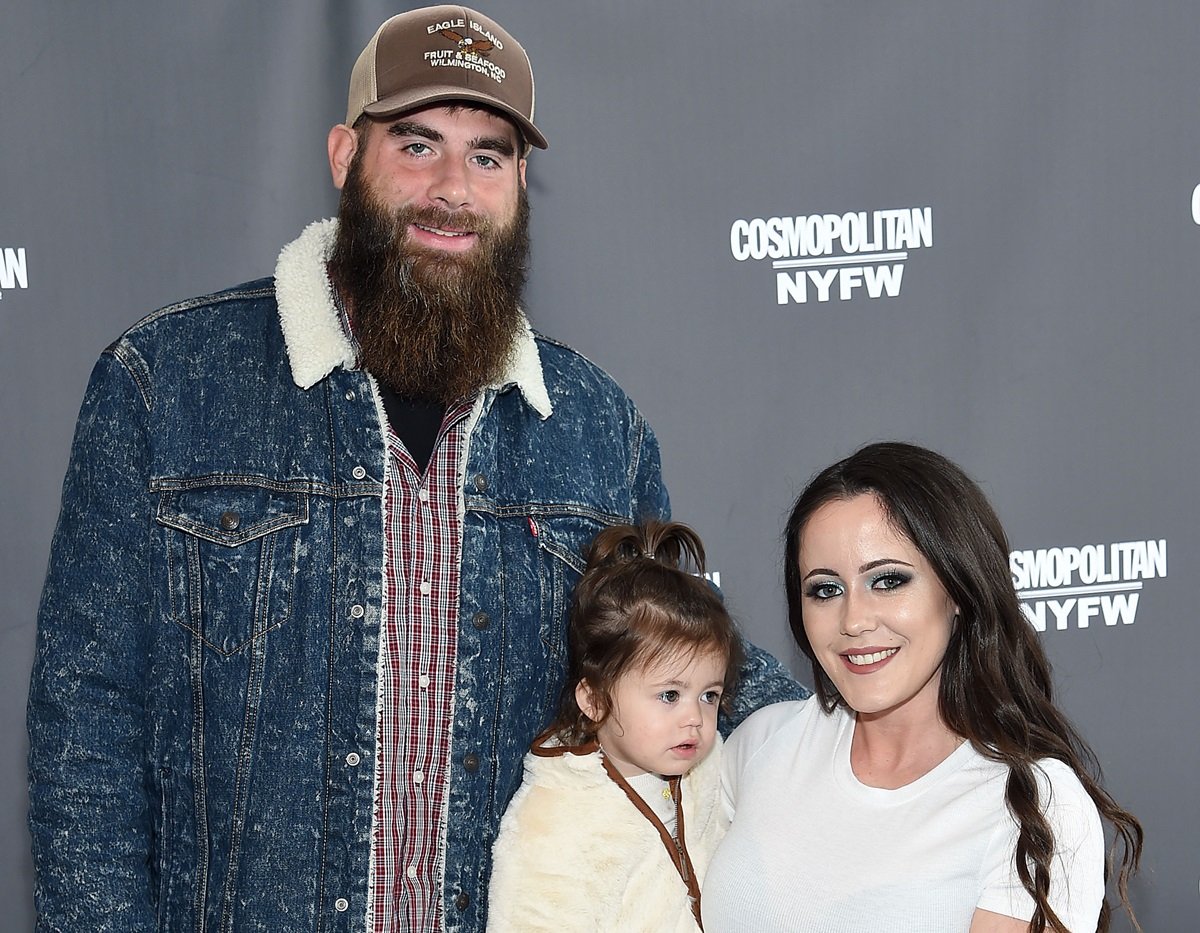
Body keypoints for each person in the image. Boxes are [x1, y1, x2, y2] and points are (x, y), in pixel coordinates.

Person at [26, 7, 803, 933]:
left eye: (487, 155)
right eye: (417, 143)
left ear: (520, 182)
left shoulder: (599, 427)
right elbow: (86, 733)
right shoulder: (167, 385)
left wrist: (922, 746)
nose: (452, 188)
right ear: (344, 157)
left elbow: (690, 670)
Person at [703, 442, 1142, 933]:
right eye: (825, 589)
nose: (854, 621)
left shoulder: (1034, 803)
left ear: (957, 589)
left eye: (888, 581)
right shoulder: (760, 747)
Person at [489, 521, 741, 932]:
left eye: (709, 695)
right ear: (594, 700)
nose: (695, 718)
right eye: (670, 696)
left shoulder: (711, 767)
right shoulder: (554, 822)